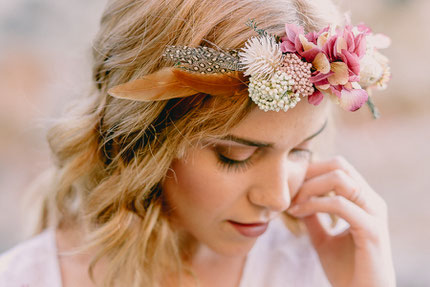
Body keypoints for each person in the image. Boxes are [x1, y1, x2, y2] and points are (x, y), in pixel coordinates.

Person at [0, 0, 395, 286]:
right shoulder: (28, 278)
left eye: (300, 151)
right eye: (235, 155)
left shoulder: (320, 267)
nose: (277, 199)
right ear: (143, 139)